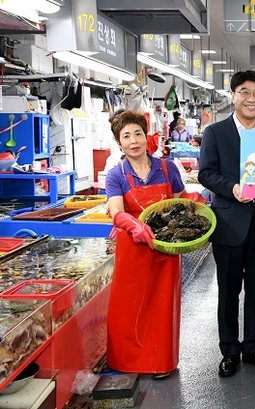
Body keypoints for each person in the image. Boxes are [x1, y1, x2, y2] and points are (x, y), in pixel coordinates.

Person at [198, 70, 255, 377]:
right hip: (229, 223)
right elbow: (206, 173)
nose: (251, 98)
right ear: (233, 96)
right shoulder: (215, 133)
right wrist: (232, 188)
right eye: (244, 91)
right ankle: (230, 350)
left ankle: (254, 348)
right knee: (228, 290)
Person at [105, 110, 190, 379]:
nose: (133, 141)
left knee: (162, 306)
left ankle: (160, 362)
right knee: (128, 306)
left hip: (166, 249)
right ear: (119, 142)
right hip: (133, 249)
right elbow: (116, 211)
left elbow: (181, 201)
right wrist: (133, 225)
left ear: (146, 136)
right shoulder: (116, 175)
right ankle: (127, 362)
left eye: (138, 133)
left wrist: (195, 202)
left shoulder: (167, 168)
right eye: (126, 136)